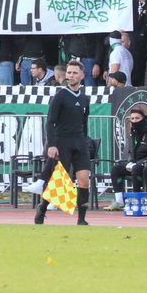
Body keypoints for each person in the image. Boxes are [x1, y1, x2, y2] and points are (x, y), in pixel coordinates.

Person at [28, 60, 93, 226]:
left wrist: (85, 141)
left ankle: (81, 219)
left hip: (79, 142)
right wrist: (51, 144)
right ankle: (42, 208)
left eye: (74, 73)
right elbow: (50, 122)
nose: (71, 76)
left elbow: (84, 122)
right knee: (59, 181)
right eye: (69, 72)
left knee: (84, 180)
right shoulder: (60, 96)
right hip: (62, 141)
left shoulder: (85, 99)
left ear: (82, 76)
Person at [104, 108, 147, 211]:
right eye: (132, 118)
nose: (134, 121)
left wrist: (138, 163)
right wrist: (130, 162)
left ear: (143, 118)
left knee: (136, 169)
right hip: (135, 164)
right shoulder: (133, 132)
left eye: (137, 118)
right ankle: (119, 201)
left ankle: (137, 199)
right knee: (116, 169)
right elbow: (131, 151)